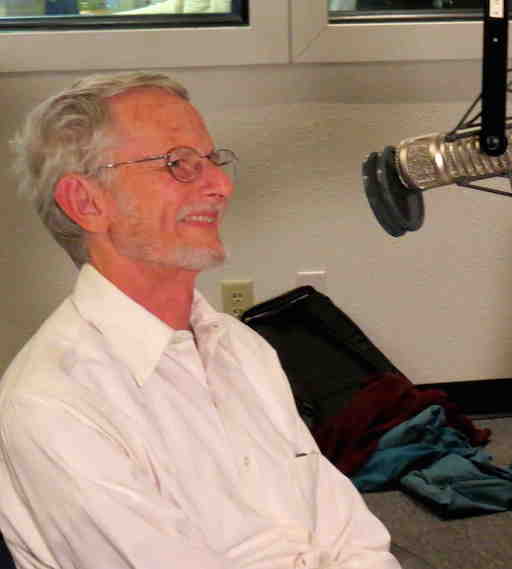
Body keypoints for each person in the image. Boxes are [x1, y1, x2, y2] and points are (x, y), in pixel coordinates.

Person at [0, 72, 401, 569]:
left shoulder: (241, 347)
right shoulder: (53, 406)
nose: (222, 185)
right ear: (87, 202)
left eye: (213, 160)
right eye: (178, 164)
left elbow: (350, 534)